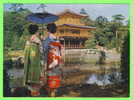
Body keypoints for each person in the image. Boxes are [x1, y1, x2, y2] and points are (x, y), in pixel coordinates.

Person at [43, 23, 63, 97]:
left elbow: (43, 53)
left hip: (49, 63)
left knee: (48, 83)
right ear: (55, 30)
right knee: (54, 84)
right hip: (57, 63)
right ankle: (53, 95)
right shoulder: (57, 40)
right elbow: (60, 53)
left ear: (48, 30)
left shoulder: (47, 40)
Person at [23, 24, 43, 96]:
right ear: (37, 31)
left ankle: (31, 93)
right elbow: (42, 53)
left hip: (29, 64)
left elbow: (25, 53)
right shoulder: (38, 41)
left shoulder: (28, 41)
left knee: (30, 84)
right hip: (36, 64)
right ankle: (35, 94)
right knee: (36, 84)